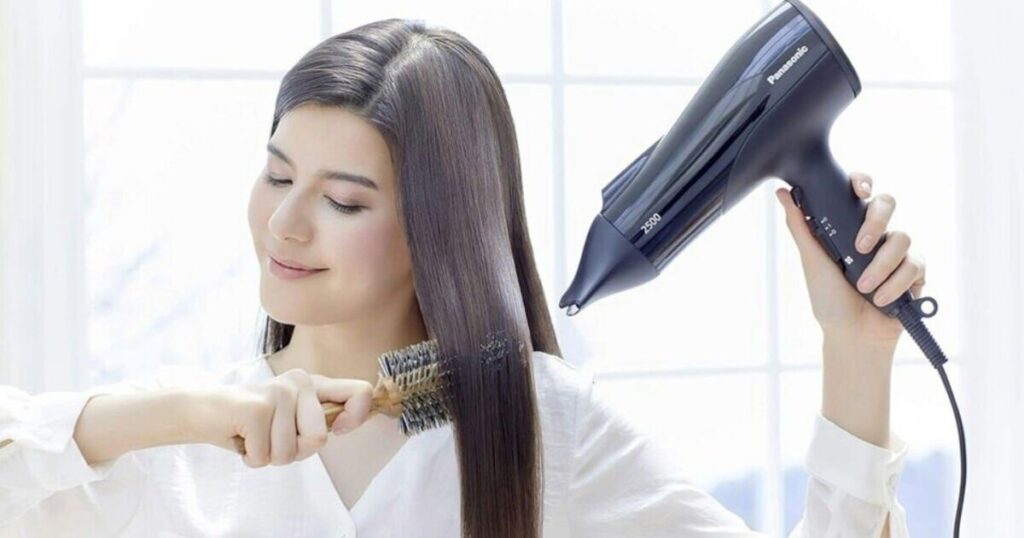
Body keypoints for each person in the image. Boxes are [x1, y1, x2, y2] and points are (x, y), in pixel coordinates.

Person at [0, 18, 920, 537]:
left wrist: (857, 349)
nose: (285, 223)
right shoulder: (170, 448)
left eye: (344, 201)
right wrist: (179, 416)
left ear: (436, 230)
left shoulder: (546, 427)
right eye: (277, 176)